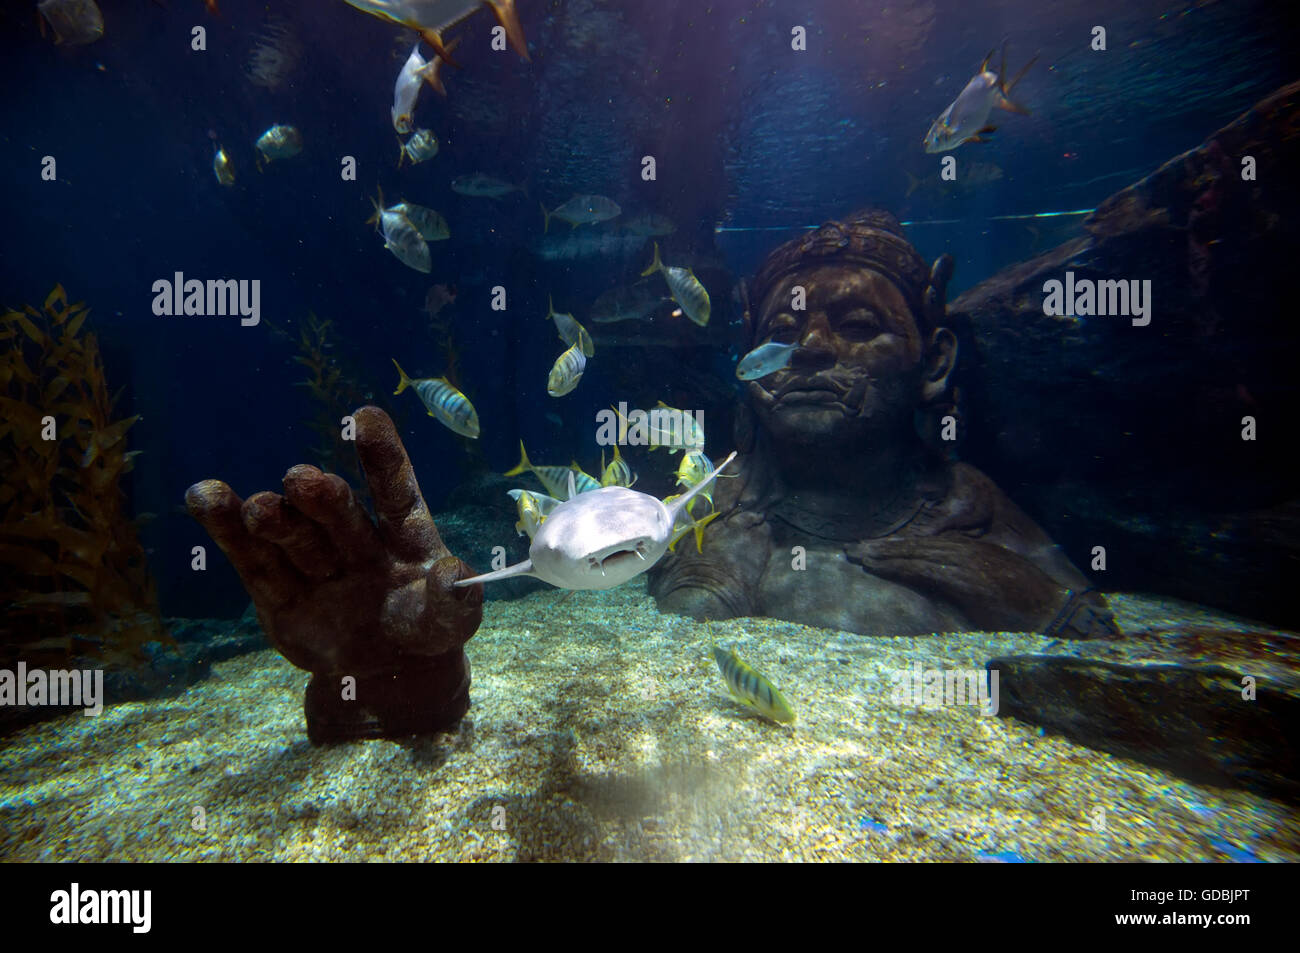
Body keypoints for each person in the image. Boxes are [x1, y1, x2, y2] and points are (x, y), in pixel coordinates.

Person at [648, 209, 1117, 639]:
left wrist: (1008, 586)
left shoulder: (966, 503)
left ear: (935, 362)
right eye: (781, 334)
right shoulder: (710, 503)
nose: (811, 347)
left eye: (857, 326)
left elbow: (1091, 631)